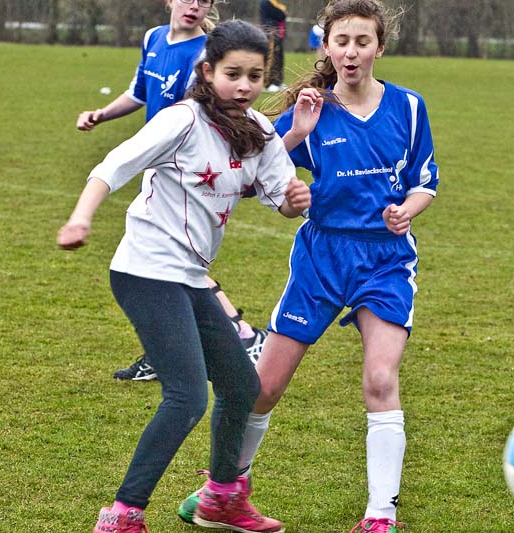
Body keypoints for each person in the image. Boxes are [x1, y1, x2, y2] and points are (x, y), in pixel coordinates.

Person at [177, 1, 439, 531]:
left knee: (381, 379)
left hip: (385, 261)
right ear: (326, 47)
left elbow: (424, 180)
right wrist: (297, 130)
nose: (351, 52)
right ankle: (225, 490)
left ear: (379, 48)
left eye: (363, 42)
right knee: (263, 387)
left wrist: (407, 211)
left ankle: (379, 515)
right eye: (341, 41)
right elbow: (251, 167)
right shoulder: (310, 107)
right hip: (321, 256)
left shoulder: (409, 107)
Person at [58, 19, 310, 533]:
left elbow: (282, 197)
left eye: (256, 76)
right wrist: (81, 218)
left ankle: (222, 499)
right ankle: (122, 515)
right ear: (208, 70)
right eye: (233, 74)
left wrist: (294, 200)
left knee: (241, 386)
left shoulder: (259, 132)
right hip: (144, 272)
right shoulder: (183, 120)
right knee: (189, 394)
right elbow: (114, 163)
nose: (244, 86)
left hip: (190, 278)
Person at [75, 0, 268, 382]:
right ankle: (167, 351)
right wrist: (103, 113)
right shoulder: (154, 38)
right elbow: (140, 91)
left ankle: (243, 335)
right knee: (159, 266)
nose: (194, 5)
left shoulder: (205, 52)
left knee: (173, 264)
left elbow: (201, 112)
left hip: (185, 169)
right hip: (156, 166)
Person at [260, 0, 288, 92]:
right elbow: (281, 14)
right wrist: (283, 11)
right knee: (272, 58)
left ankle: (278, 82)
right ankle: (269, 83)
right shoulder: (266, 2)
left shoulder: (276, 2)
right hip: (270, 32)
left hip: (278, 34)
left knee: (279, 58)